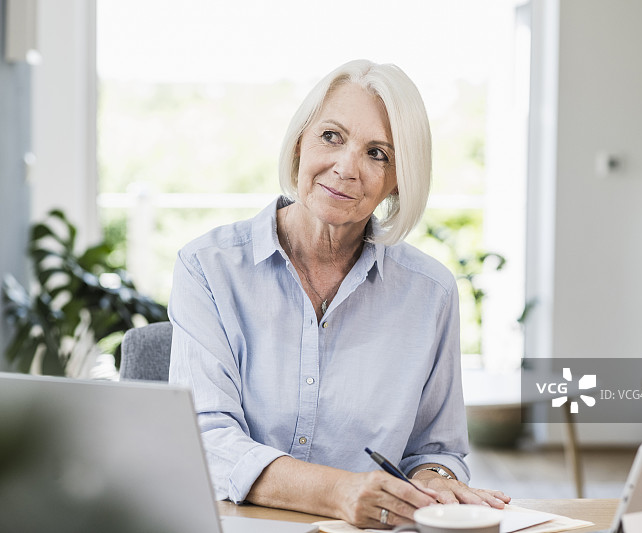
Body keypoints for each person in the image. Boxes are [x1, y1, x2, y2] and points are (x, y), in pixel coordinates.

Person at [168, 59, 510, 529]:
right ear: (299, 143)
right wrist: (339, 492)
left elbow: (435, 449)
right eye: (332, 136)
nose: (347, 167)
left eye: (378, 153)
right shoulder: (207, 267)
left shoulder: (431, 293)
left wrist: (434, 478)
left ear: (397, 182)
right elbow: (205, 442)